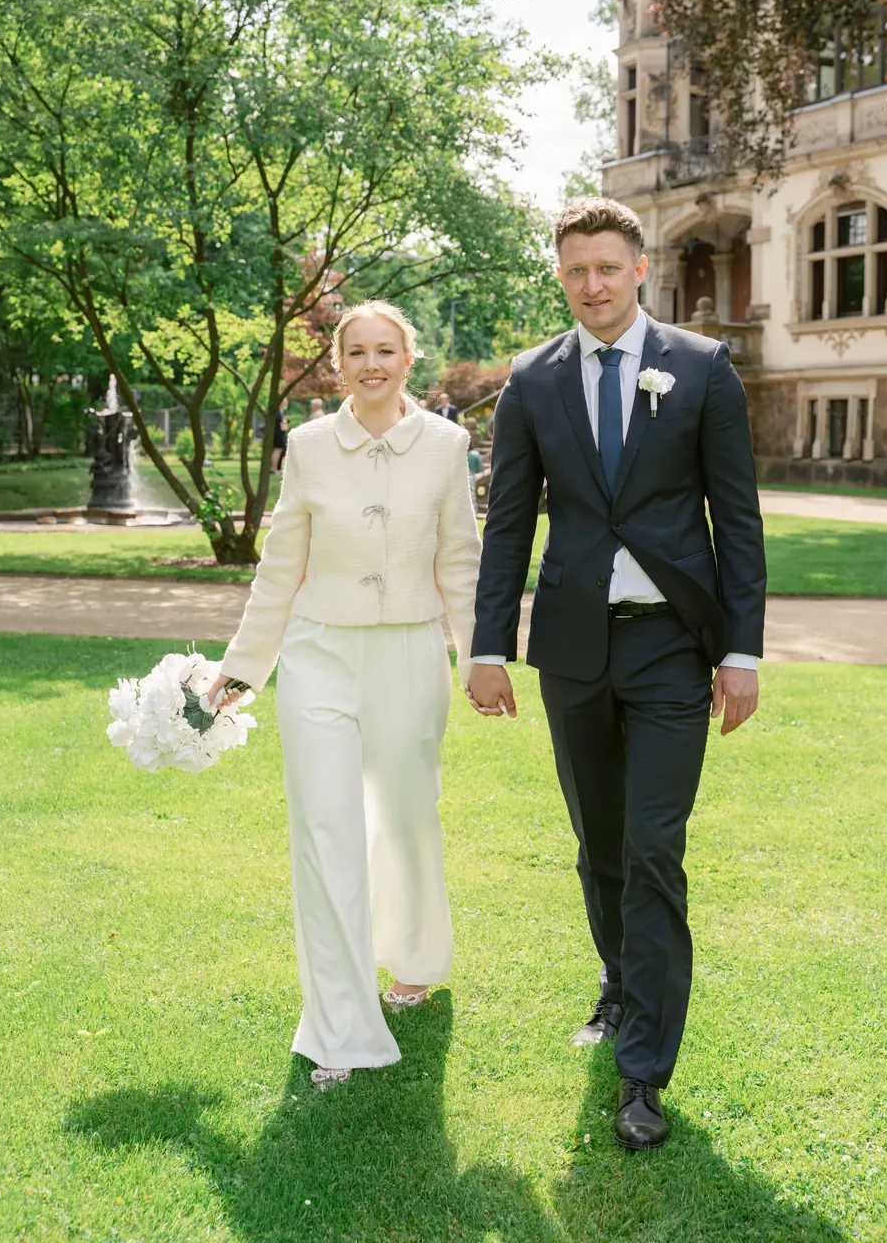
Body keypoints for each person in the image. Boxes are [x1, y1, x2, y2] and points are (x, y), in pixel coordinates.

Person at [467, 196, 766, 1151]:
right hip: (574, 649)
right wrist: (487, 645)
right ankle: (619, 977)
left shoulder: (703, 368)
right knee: (599, 843)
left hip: (674, 646)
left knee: (651, 847)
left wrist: (742, 651)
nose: (591, 285)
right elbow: (510, 520)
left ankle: (642, 1070)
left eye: (607, 267)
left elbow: (738, 519)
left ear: (641, 269)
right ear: (560, 276)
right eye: (573, 271)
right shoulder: (532, 381)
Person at [208, 301, 481, 1088]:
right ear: (337, 362)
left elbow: (460, 563)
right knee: (325, 831)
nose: (371, 364)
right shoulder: (308, 446)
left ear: (408, 358)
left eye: (385, 351)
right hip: (318, 656)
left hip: (408, 652)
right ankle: (340, 1023)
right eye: (356, 351)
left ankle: (417, 958)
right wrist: (241, 667)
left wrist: (476, 660)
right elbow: (280, 565)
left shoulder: (447, 445)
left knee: (405, 816)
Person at [270, 396, 290, 473]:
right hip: (278, 434)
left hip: (280, 434)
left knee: (279, 451)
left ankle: (277, 467)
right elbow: (281, 424)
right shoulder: (277, 412)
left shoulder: (280, 412)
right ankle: (274, 468)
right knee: (277, 450)